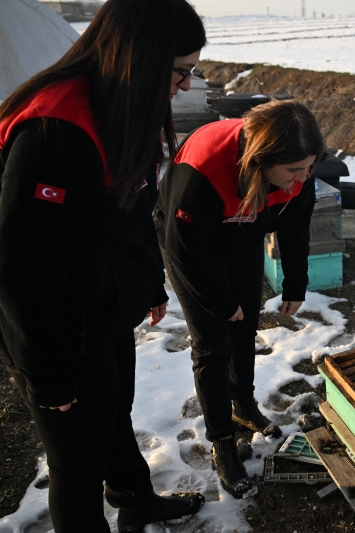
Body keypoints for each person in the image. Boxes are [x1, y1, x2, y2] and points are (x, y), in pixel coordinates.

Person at [0, 0, 207, 531]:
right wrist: (48, 374)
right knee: (76, 463)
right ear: (141, 56)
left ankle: (136, 498)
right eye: (180, 71)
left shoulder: (121, 108)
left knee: (113, 416)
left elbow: (135, 209)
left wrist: (149, 283)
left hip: (104, 303)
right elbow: (24, 268)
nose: (186, 85)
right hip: (59, 324)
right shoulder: (57, 130)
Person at [155, 100, 324, 498]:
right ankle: (222, 442)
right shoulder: (205, 169)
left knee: (244, 326)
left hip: (243, 235)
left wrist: (295, 283)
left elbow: (296, 227)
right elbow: (183, 250)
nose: (301, 179)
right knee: (213, 343)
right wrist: (218, 300)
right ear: (261, 159)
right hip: (192, 244)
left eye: (309, 168)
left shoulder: (298, 169)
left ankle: (243, 403)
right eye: (293, 171)